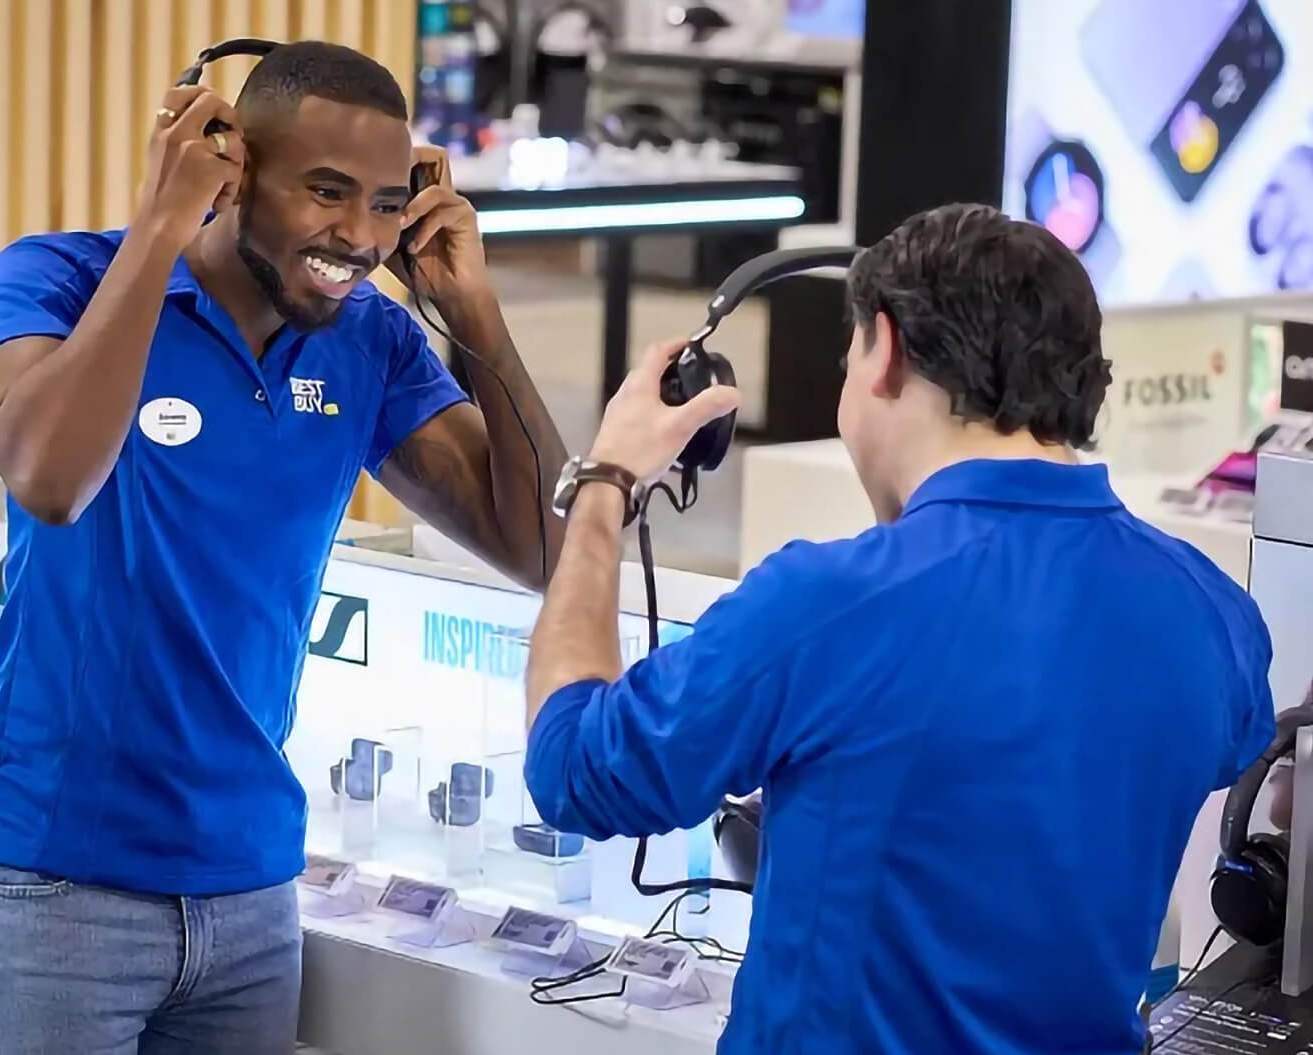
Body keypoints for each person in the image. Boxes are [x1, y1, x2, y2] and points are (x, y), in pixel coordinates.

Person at [0, 42, 566, 1054]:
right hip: (49, 888)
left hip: (250, 897)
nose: (357, 235)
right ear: (229, 163)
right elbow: (49, 476)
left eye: (388, 202)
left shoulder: (373, 340)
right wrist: (162, 226)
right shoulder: (59, 276)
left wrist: (472, 309)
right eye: (326, 191)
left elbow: (542, 548)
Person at [523, 202, 1276, 1055]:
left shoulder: (828, 604)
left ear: (883, 348)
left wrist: (605, 481)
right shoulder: (1216, 612)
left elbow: (572, 770)